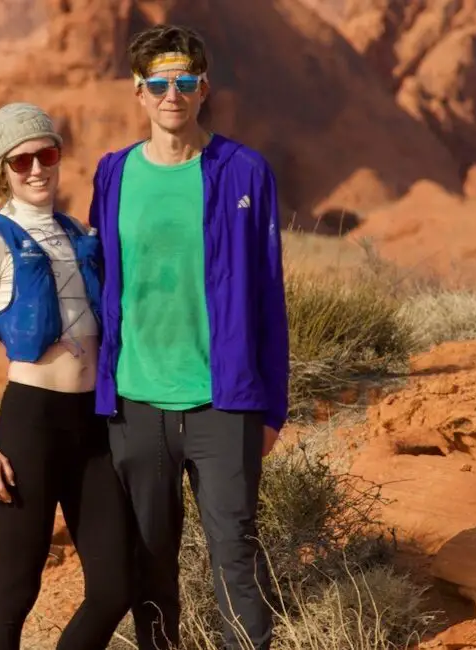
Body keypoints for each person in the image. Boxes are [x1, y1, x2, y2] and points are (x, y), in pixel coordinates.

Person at [87, 24, 290, 650]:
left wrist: (272, 407)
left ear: (203, 89)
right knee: (150, 565)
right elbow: (99, 283)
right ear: (138, 93)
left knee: (236, 557)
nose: (170, 94)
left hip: (223, 402)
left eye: (183, 82)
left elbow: (267, 297)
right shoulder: (113, 174)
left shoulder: (243, 171)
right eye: (157, 83)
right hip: (137, 404)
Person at [0, 102, 132, 650]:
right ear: (2, 170)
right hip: (31, 424)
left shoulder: (77, 234)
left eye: (46, 154)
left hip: (92, 426)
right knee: (18, 586)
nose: (36, 169)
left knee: (114, 586)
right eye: (21, 162)